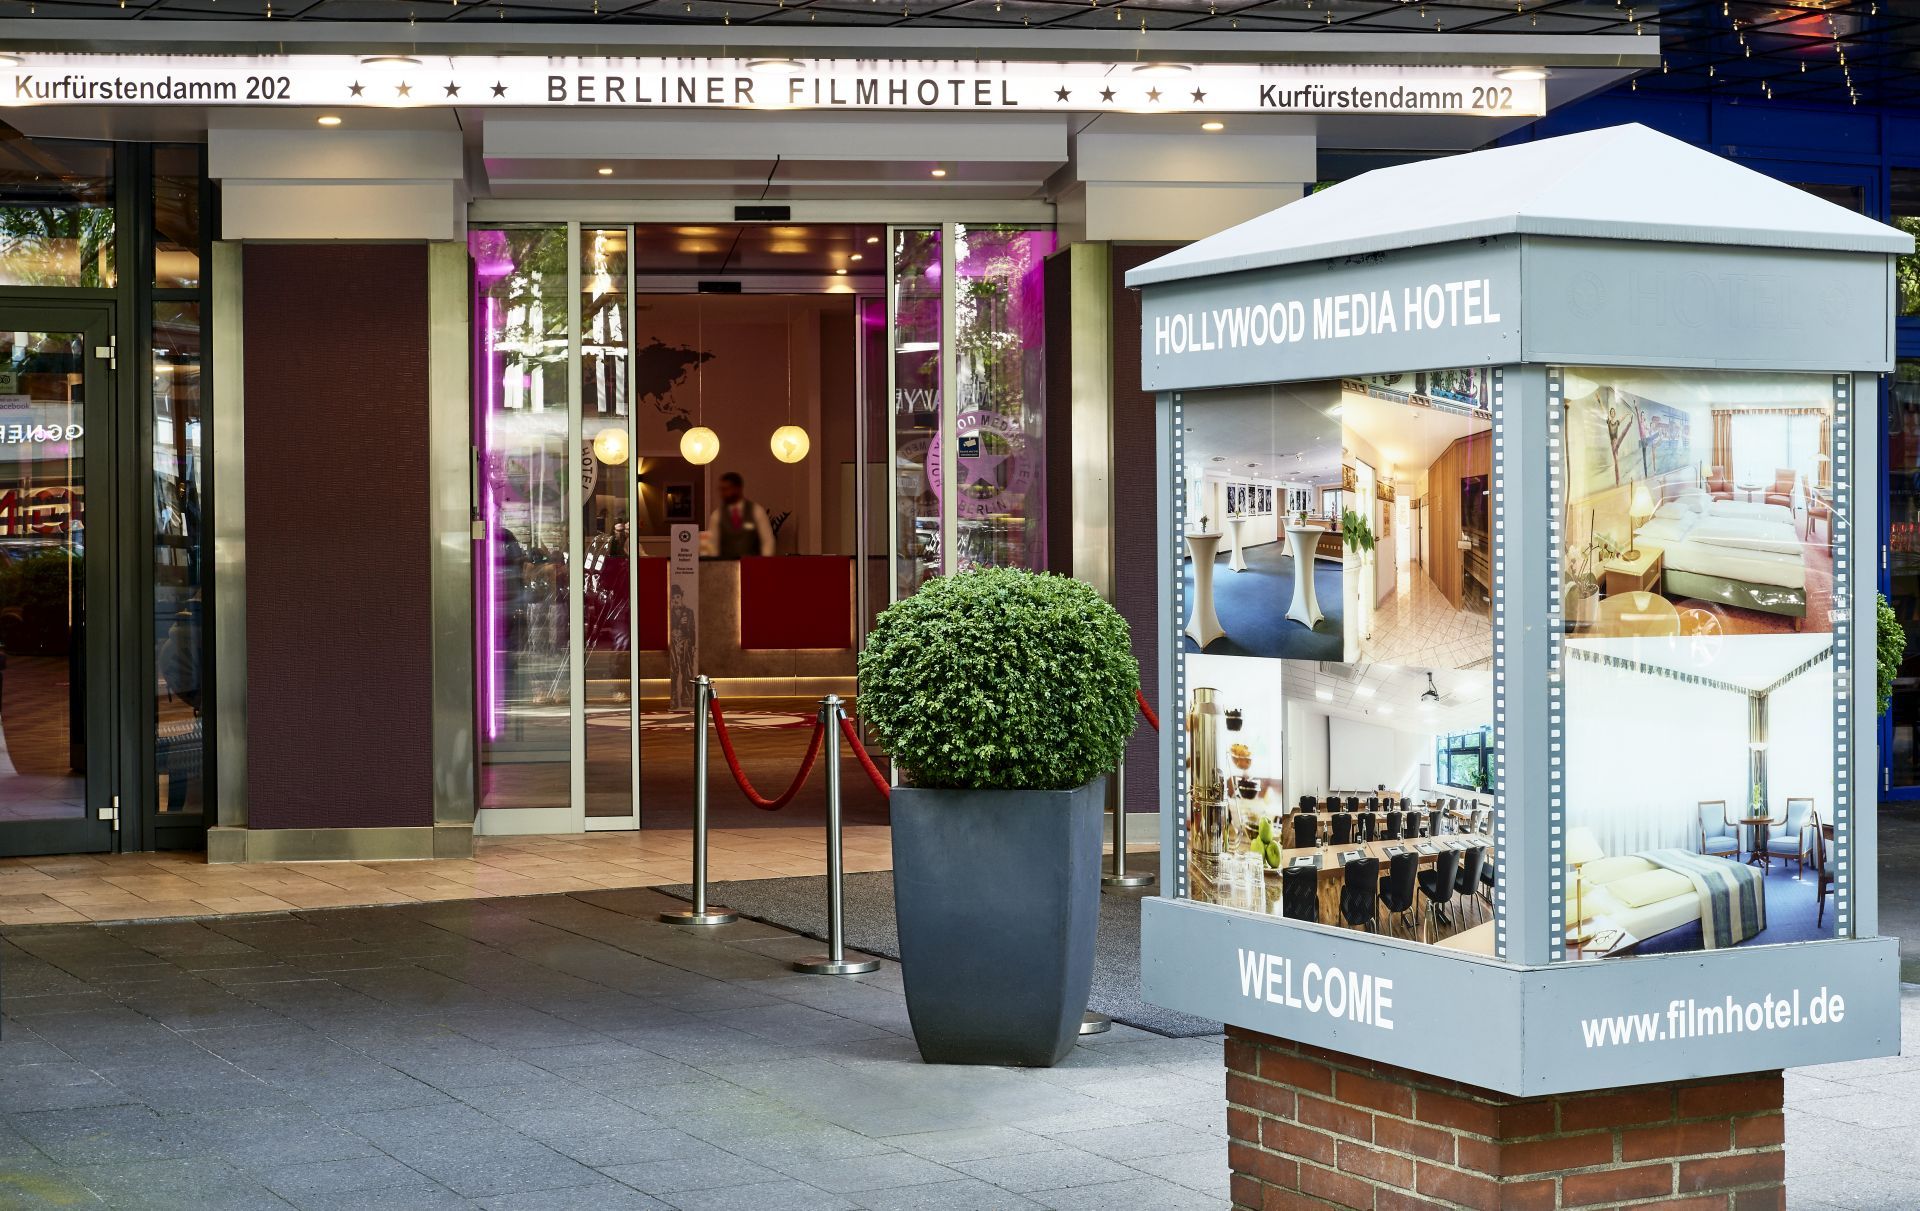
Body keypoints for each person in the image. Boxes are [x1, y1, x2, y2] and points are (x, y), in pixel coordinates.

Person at [706, 471, 775, 558]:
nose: (722, 494)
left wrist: (764, 562)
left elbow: (767, 541)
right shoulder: (717, 515)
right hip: (725, 564)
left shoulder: (757, 511)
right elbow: (712, 545)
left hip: (752, 563)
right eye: (721, 489)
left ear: (738, 489)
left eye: (726, 489)